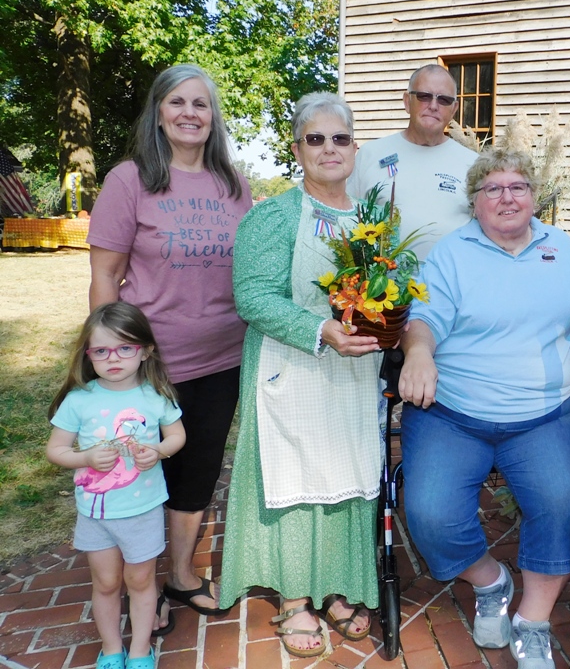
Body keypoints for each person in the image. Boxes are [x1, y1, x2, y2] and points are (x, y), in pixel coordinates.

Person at [399, 147, 570, 669]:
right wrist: (418, 353)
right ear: (474, 200)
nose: (507, 198)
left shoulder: (560, 247)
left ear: (533, 196)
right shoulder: (451, 253)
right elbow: (425, 319)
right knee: (431, 514)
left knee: (559, 502)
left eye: (518, 187)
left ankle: (533, 620)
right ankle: (490, 583)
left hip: (542, 415)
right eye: (493, 189)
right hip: (454, 412)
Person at [217, 93, 383, 658]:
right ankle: (293, 598)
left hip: (353, 372)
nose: (329, 148)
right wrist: (321, 330)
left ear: (354, 148)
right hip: (289, 366)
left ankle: (335, 585)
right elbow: (252, 297)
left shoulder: (371, 220)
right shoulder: (274, 216)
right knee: (295, 476)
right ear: (297, 149)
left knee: (345, 470)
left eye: (340, 138)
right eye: (316, 138)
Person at [88, 64, 253, 624]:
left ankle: (180, 576)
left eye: (201, 104)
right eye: (178, 102)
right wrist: (109, 357)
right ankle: (141, 588)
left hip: (223, 357)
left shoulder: (233, 184)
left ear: (213, 117)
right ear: (158, 113)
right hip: (150, 363)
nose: (190, 113)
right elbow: (105, 276)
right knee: (137, 475)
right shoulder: (129, 180)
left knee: (198, 471)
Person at [46, 302, 186, 669]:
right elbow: (56, 450)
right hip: (96, 514)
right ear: (88, 354)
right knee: (106, 583)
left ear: (146, 351)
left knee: (140, 581)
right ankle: (111, 649)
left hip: (142, 510)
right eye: (101, 351)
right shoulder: (79, 400)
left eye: (125, 348)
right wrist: (86, 458)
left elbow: (177, 436)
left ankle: (140, 650)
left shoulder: (156, 395)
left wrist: (158, 451)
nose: (113, 358)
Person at [348, 64, 478, 257]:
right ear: (407, 101)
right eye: (424, 96)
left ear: (454, 109)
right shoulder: (370, 155)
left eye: (444, 100)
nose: (433, 106)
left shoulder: (473, 164)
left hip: (452, 275)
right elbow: (346, 217)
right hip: (382, 276)